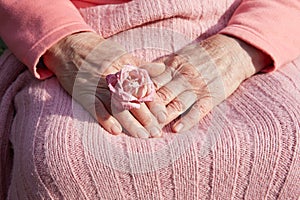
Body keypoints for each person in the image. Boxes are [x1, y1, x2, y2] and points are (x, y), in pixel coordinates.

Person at [0, 0, 300, 199]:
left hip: (236, 25)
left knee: (285, 141)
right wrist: (63, 40)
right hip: (79, 30)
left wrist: (245, 44)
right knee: (61, 162)